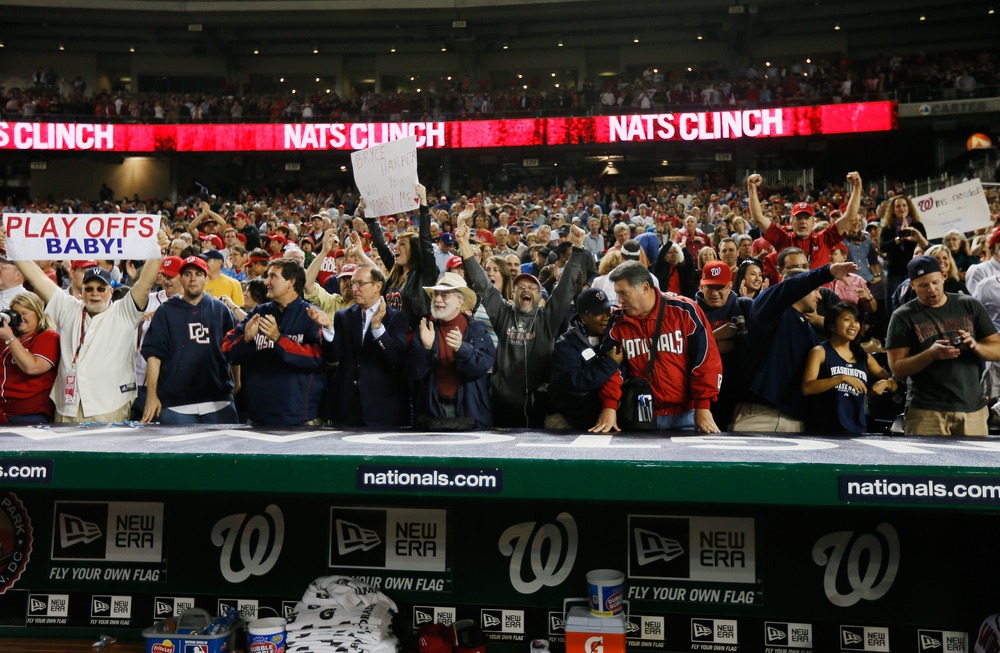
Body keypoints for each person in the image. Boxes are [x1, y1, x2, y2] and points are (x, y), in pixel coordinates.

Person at [457, 220, 588, 427]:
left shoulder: (547, 318)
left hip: (540, 405)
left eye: (532, 288)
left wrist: (578, 248)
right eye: (521, 287)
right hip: (503, 403)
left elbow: (564, 289)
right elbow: (482, 284)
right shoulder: (503, 313)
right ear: (513, 293)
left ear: (539, 295)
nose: (526, 290)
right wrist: (464, 245)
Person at [731, 254, 859, 432]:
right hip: (762, 415)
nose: (819, 297)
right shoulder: (770, 310)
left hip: (793, 418)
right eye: (815, 289)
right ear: (800, 288)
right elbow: (790, 286)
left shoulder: (805, 326)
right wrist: (827, 272)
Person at [591, 261, 723, 433]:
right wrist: (609, 406)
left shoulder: (685, 310)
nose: (619, 300)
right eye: (617, 294)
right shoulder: (617, 323)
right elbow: (613, 369)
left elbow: (706, 360)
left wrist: (703, 406)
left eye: (624, 293)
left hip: (687, 413)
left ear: (645, 288)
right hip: (642, 413)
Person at [886, 255, 1000, 435]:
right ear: (912, 285)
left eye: (935, 282)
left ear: (944, 277)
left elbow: (997, 349)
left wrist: (975, 346)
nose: (931, 289)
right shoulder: (902, 316)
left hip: (972, 410)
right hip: (926, 411)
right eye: (923, 285)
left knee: (974, 463)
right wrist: (930, 354)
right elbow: (897, 368)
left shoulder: (969, 305)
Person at [222, 258, 325, 426]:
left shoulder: (311, 314)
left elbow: (316, 358)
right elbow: (227, 349)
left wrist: (279, 340)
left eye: (272, 277)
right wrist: (246, 339)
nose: (266, 282)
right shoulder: (259, 312)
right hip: (258, 417)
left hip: (300, 418)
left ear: (291, 282)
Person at [140, 256, 239, 424]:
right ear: (181, 279)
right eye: (187, 274)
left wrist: (237, 383)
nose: (193, 278)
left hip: (218, 402)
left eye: (198, 274)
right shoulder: (165, 311)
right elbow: (154, 356)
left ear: (206, 278)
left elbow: (234, 349)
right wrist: (152, 395)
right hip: (176, 404)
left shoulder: (221, 310)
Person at [318, 265, 409, 426]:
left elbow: (396, 357)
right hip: (346, 405)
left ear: (378, 286)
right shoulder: (343, 316)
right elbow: (333, 358)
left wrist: (377, 328)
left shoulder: (396, 318)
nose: (354, 288)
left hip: (381, 406)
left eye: (360, 283)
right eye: (353, 283)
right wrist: (328, 328)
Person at [407, 273, 495, 428]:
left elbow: (481, 367)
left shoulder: (477, 330)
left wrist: (462, 348)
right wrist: (426, 349)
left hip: (469, 413)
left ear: (460, 301)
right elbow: (413, 373)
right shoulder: (425, 328)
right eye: (435, 295)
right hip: (432, 412)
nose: (438, 300)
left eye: (445, 295)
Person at [801, 302, 897, 434]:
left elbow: (894, 382)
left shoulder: (864, 357)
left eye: (857, 321)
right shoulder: (820, 352)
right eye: (847, 320)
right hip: (823, 431)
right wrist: (841, 378)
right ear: (831, 325)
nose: (853, 325)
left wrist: (885, 383)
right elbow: (807, 388)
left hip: (856, 431)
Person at [747, 171, 862, 268]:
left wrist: (857, 186)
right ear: (791, 222)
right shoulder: (782, 239)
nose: (803, 221)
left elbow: (850, 216)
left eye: (806, 218)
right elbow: (758, 218)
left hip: (819, 294)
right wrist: (752, 188)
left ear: (813, 222)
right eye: (798, 218)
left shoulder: (824, 239)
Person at [546, 288, 623, 430]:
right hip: (569, 418)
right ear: (583, 317)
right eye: (598, 313)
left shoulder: (611, 337)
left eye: (607, 311)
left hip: (602, 414)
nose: (605, 317)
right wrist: (609, 364)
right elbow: (576, 382)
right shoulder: (565, 344)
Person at [364, 185, 438, 330]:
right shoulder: (394, 271)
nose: (395, 248)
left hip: (414, 338)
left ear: (415, 250)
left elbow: (425, 241)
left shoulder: (425, 274)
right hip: (389, 335)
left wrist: (423, 203)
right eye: (396, 244)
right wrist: (369, 211)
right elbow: (381, 245)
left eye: (402, 244)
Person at [695, 261, 752, 430]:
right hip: (702, 392)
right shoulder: (690, 311)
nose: (714, 293)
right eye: (709, 287)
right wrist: (717, 337)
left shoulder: (745, 306)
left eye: (720, 287)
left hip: (739, 390)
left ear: (729, 286)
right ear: (701, 286)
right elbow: (686, 352)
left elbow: (756, 346)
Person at [0, 291, 59, 423]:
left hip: (29, 413)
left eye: (25, 313)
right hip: (3, 412)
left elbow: (32, 367)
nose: (19, 318)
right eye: (15, 313)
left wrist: (10, 338)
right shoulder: (4, 338)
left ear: (38, 314)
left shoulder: (48, 337)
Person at [878, 194, 929, 305]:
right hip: (895, 272)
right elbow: (883, 247)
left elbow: (925, 244)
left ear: (909, 207)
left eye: (904, 205)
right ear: (893, 210)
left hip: (915, 271)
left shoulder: (917, 225)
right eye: (898, 206)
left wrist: (914, 239)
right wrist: (898, 238)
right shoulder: (888, 228)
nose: (902, 208)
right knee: (892, 304)